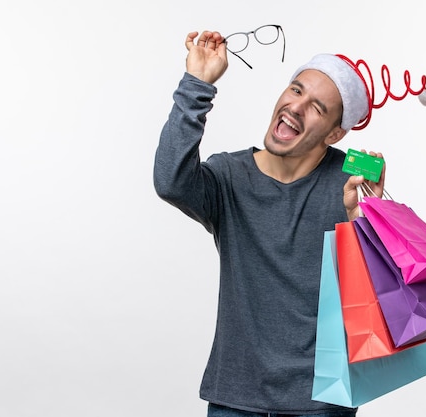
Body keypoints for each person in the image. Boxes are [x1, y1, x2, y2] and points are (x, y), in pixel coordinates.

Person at [153, 29, 384, 417]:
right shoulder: (229, 176)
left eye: (318, 107)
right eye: (296, 90)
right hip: (235, 398)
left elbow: (379, 298)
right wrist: (197, 85)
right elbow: (170, 181)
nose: (297, 107)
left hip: (323, 403)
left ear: (335, 133)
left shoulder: (349, 183)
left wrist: (368, 222)